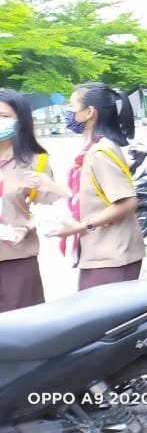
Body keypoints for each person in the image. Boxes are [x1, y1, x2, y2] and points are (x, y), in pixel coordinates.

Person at [51, 82, 145, 291]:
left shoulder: (99, 152)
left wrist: (80, 227)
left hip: (111, 255)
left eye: (72, 106)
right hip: (103, 252)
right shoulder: (97, 147)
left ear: (89, 112)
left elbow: (127, 202)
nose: (68, 112)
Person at [0, 89, 62, 312]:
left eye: (3, 116)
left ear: (20, 121)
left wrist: (26, 227)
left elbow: (52, 211)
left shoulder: (36, 162)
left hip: (15, 262)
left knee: (19, 333)